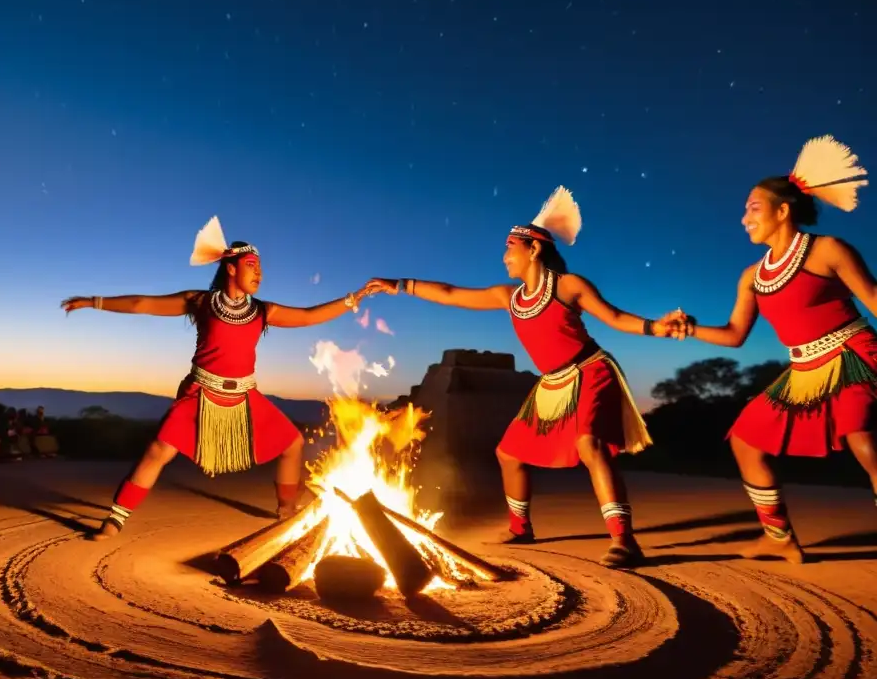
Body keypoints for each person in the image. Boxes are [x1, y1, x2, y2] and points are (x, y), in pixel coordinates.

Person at [365, 187, 684, 568]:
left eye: (509, 248)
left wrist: (656, 327)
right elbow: (451, 293)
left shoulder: (569, 286)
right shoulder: (509, 296)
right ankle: (521, 528)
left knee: (589, 446)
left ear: (533, 249)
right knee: (508, 453)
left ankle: (624, 541)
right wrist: (399, 285)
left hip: (590, 370)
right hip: (551, 382)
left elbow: (615, 319)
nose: (504, 257)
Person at [63, 216, 371, 541]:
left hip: (245, 397)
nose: (259, 273)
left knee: (292, 443)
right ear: (231, 268)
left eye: (261, 267)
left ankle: (286, 511)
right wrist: (93, 302)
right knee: (158, 451)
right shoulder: (201, 302)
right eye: (252, 265)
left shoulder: (263, 311)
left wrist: (353, 299)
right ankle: (115, 519)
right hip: (200, 393)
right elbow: (143, 304)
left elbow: (309, 316)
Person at [674, 135, 874, 563]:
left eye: (753, 207)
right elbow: (733, 334)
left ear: (783, 211)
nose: (744, 217)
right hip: (802, 371)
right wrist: (689, 329)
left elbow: (874, 301)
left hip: (852, 356)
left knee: (865, 441)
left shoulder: (828, 250)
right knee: (746, 442)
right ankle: (779, 538)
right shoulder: (752, 276)